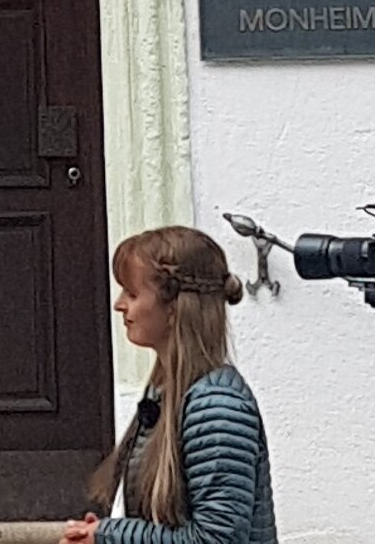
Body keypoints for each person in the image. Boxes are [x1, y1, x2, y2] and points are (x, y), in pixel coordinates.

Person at [62, 226, 277, 544]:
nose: (119, 305)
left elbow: (216, 539)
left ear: (175, 307)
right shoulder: (168, 394)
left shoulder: (218, 405)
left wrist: (111, 536)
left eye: (132, 294)